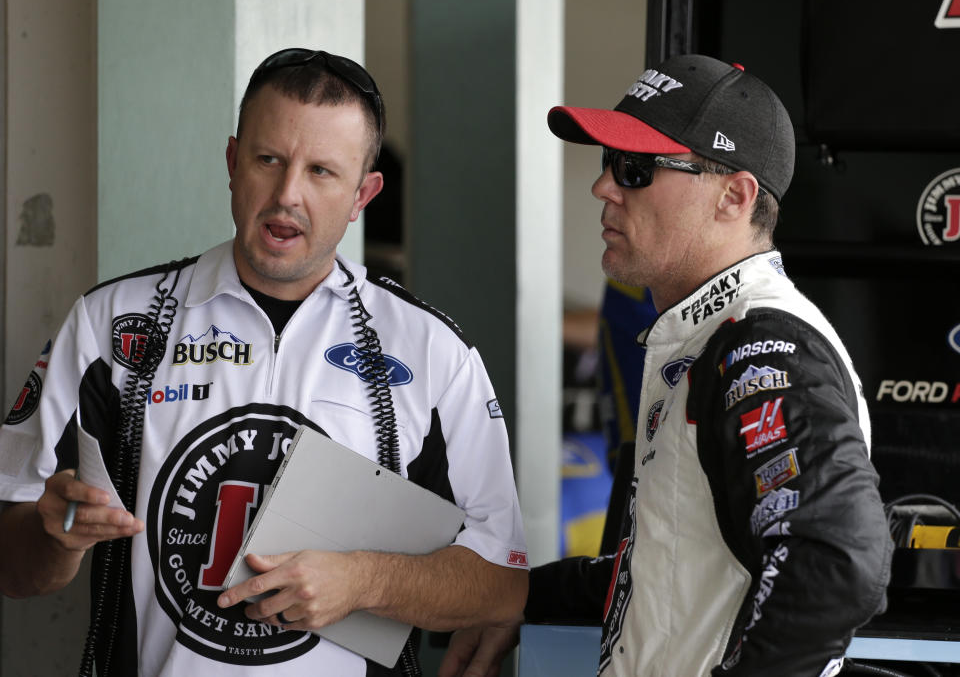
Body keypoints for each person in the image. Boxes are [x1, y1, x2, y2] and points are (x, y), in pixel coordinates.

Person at [0, 48, 528, 677]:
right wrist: (57, 542)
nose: (287, 195)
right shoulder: (109, 324)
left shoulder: (431, 350)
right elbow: (13, 566)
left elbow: (500, 584)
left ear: (364, 193)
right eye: (268, 159)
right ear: (232, 162)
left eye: (322, 172)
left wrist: (362, 581)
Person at [439, 54, 893, 676]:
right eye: (608, 163)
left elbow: (838, 565)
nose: (603, 187)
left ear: (734, 196)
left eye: (636, 168)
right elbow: (667, 570)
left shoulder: (760, 343)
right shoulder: (700, 337)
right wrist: (517, 600)